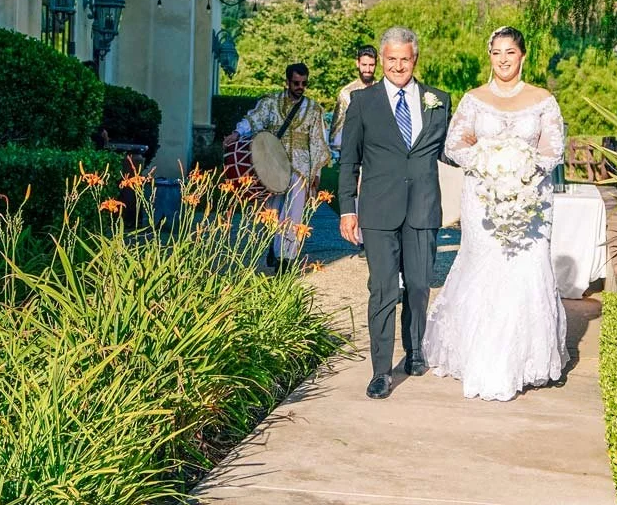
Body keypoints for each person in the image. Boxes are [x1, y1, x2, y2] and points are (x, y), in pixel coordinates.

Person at [425, 27, 569, 401]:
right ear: (489, 56)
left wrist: (519, 167)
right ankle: (479, 356)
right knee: (482, 267)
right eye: (496, 53)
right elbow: (454, 144)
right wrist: (489, 162)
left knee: (525, 270)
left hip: (529, 201)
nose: (503, 59)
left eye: (510, 52)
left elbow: (552, 152)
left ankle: (524, 363)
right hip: (483, 200)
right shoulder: (474, 100)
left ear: (523, 56)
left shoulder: (543, 100)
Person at [337, 27, 451, 399]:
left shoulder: (439, 99)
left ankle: (415, 349)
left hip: (422, 208)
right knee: (383, 290)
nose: (398, 65)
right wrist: (346, 211)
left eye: (405, 58)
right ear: (382, 61)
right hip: (378, 211)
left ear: (414, 59)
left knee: (419, 287)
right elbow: (349, 161)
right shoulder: (362, 102)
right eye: (391, 59)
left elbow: (452, 151)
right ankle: (381, 370)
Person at [233, 62, 331, 269]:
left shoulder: (314, 109)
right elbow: (254, 120)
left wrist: (316, 174)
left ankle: (286, 258)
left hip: (301, 169)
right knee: (273, 211)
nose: (300, 87)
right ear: (287, 82)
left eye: (304, 83)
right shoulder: (270, 102)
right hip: (273, 165)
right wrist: (236, 134)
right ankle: (273, 245)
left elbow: (317, 142)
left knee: (294, 214)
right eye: (296, 82)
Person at [330, 45, 378, 149]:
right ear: (357, 63)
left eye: (371, 65)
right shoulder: (346, 93)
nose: (368, 69)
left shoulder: (384, 90)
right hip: (354, 152)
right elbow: (337, 128)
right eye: (364, 65)